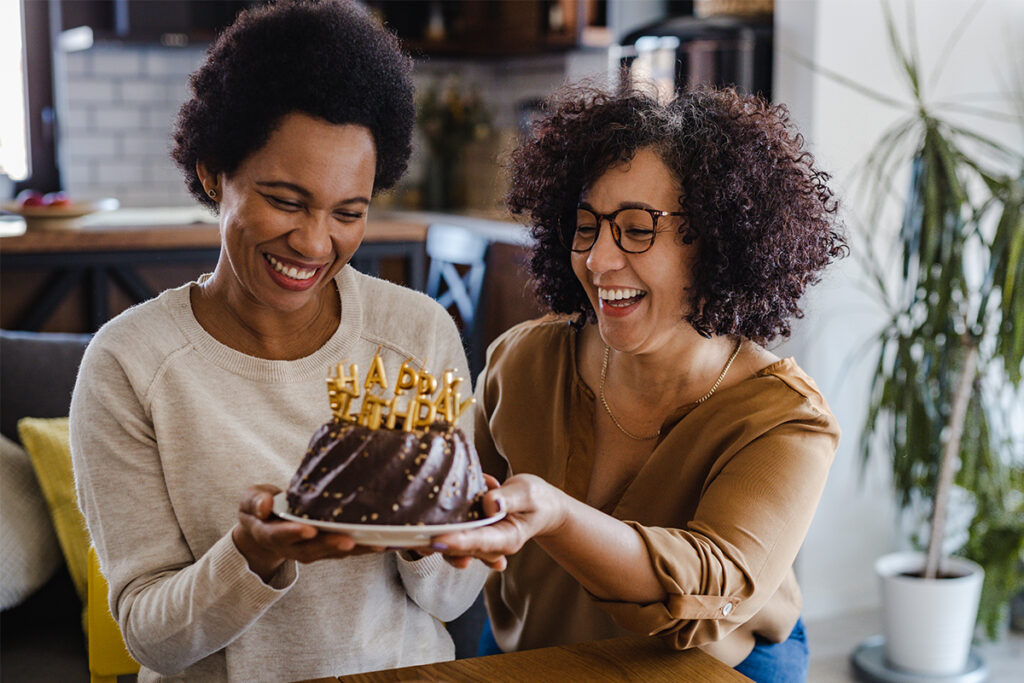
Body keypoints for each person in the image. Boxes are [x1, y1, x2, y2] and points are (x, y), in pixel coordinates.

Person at [69, 2, 488, 680]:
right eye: (287, 200)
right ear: (213, 172)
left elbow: (453, 596)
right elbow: (151, 635)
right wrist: (252, 556)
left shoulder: (416, 336)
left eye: (348, 212)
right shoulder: (130, 364)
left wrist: (424, 532)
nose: (315, 242)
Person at [432, 83, 847, 682]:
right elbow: (464, 522)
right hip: (534, 655)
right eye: (587, 225)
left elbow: (709, 595)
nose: (598, 260)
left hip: (718, 662)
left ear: (718, 239)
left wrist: (557, 514)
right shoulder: (520, 363)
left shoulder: (785, 419)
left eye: (635, 227)